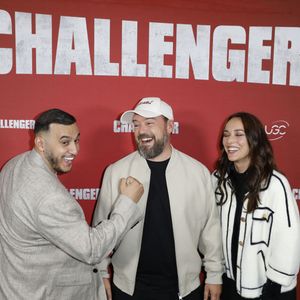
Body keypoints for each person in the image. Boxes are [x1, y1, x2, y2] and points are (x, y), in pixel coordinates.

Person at [0, 108, 144, 299]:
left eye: (76, 140)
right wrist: (127, 203)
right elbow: (92, 249)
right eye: (65, 142)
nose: (75, 150)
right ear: (40, 143)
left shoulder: (14, 164)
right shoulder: (49, 197)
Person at [92, 97, 224, 300]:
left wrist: (214, 275)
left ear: (170, 126)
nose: (141, 131)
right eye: (136, 124)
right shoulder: (115, 171)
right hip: (128, 290)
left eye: (150, 123)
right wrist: (100, 272)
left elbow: (210, 229)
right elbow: (101, 227)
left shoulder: (198, 173)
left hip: (185, 290)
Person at [212, 112, 300, 300]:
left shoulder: (276, 184)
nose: (230, 140)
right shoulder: (218, 180)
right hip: (229, 284)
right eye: (226, 134)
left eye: (238, 134)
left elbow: (289, 239)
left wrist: (273, 289)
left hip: (267, 289)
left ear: (254, 139)